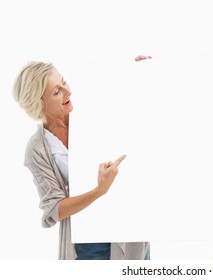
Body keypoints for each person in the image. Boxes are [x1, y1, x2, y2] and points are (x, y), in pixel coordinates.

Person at [13, 61, 150, 260]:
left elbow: (139, 120)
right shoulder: (37, 149)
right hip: (89, 240)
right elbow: (55, 209)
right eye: (56, 92)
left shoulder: (94, 111)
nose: (68, 92)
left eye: (64, 82)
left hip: (129, 230)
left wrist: (143, 75)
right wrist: (99, 190)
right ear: (39, 104)